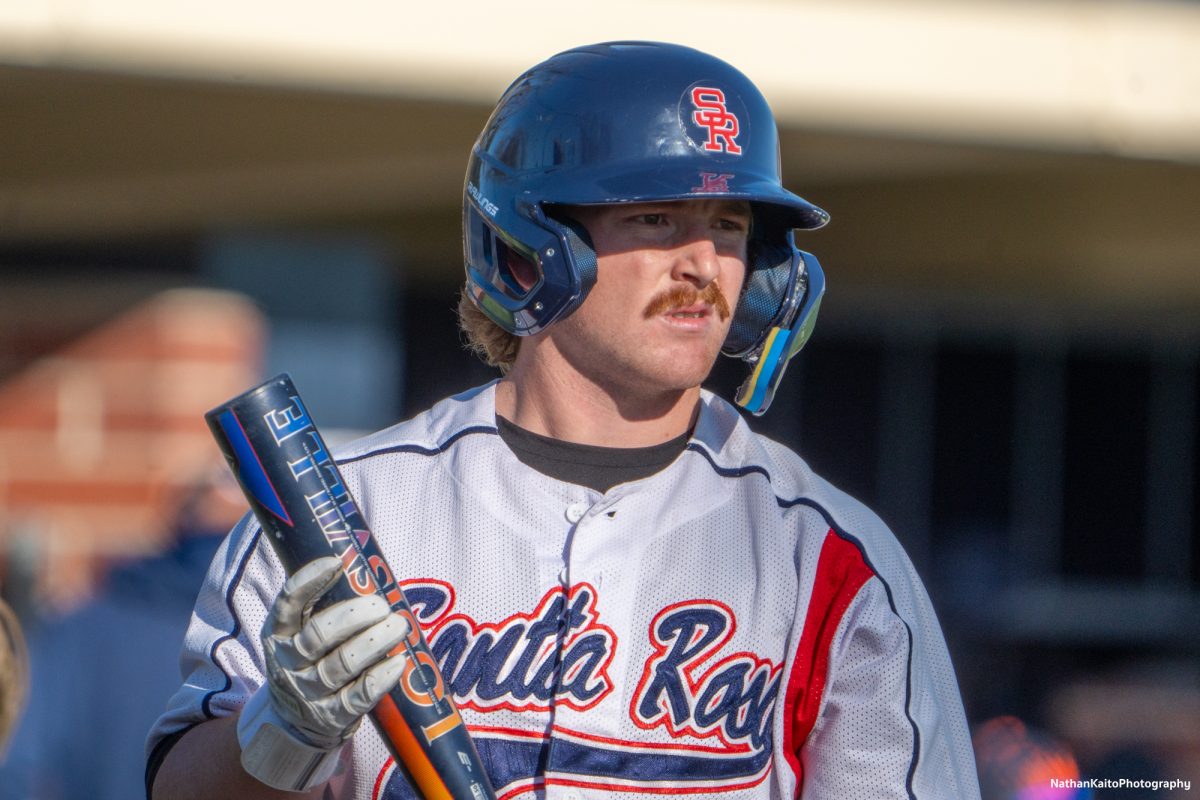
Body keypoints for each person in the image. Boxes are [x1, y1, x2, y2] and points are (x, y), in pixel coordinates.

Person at [147, 41, 981, 799]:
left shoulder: (825, 558)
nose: (703, 264)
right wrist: (282, 733)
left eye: (729, 227)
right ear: (529, 245)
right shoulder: (352, 513)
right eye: (655, 216)